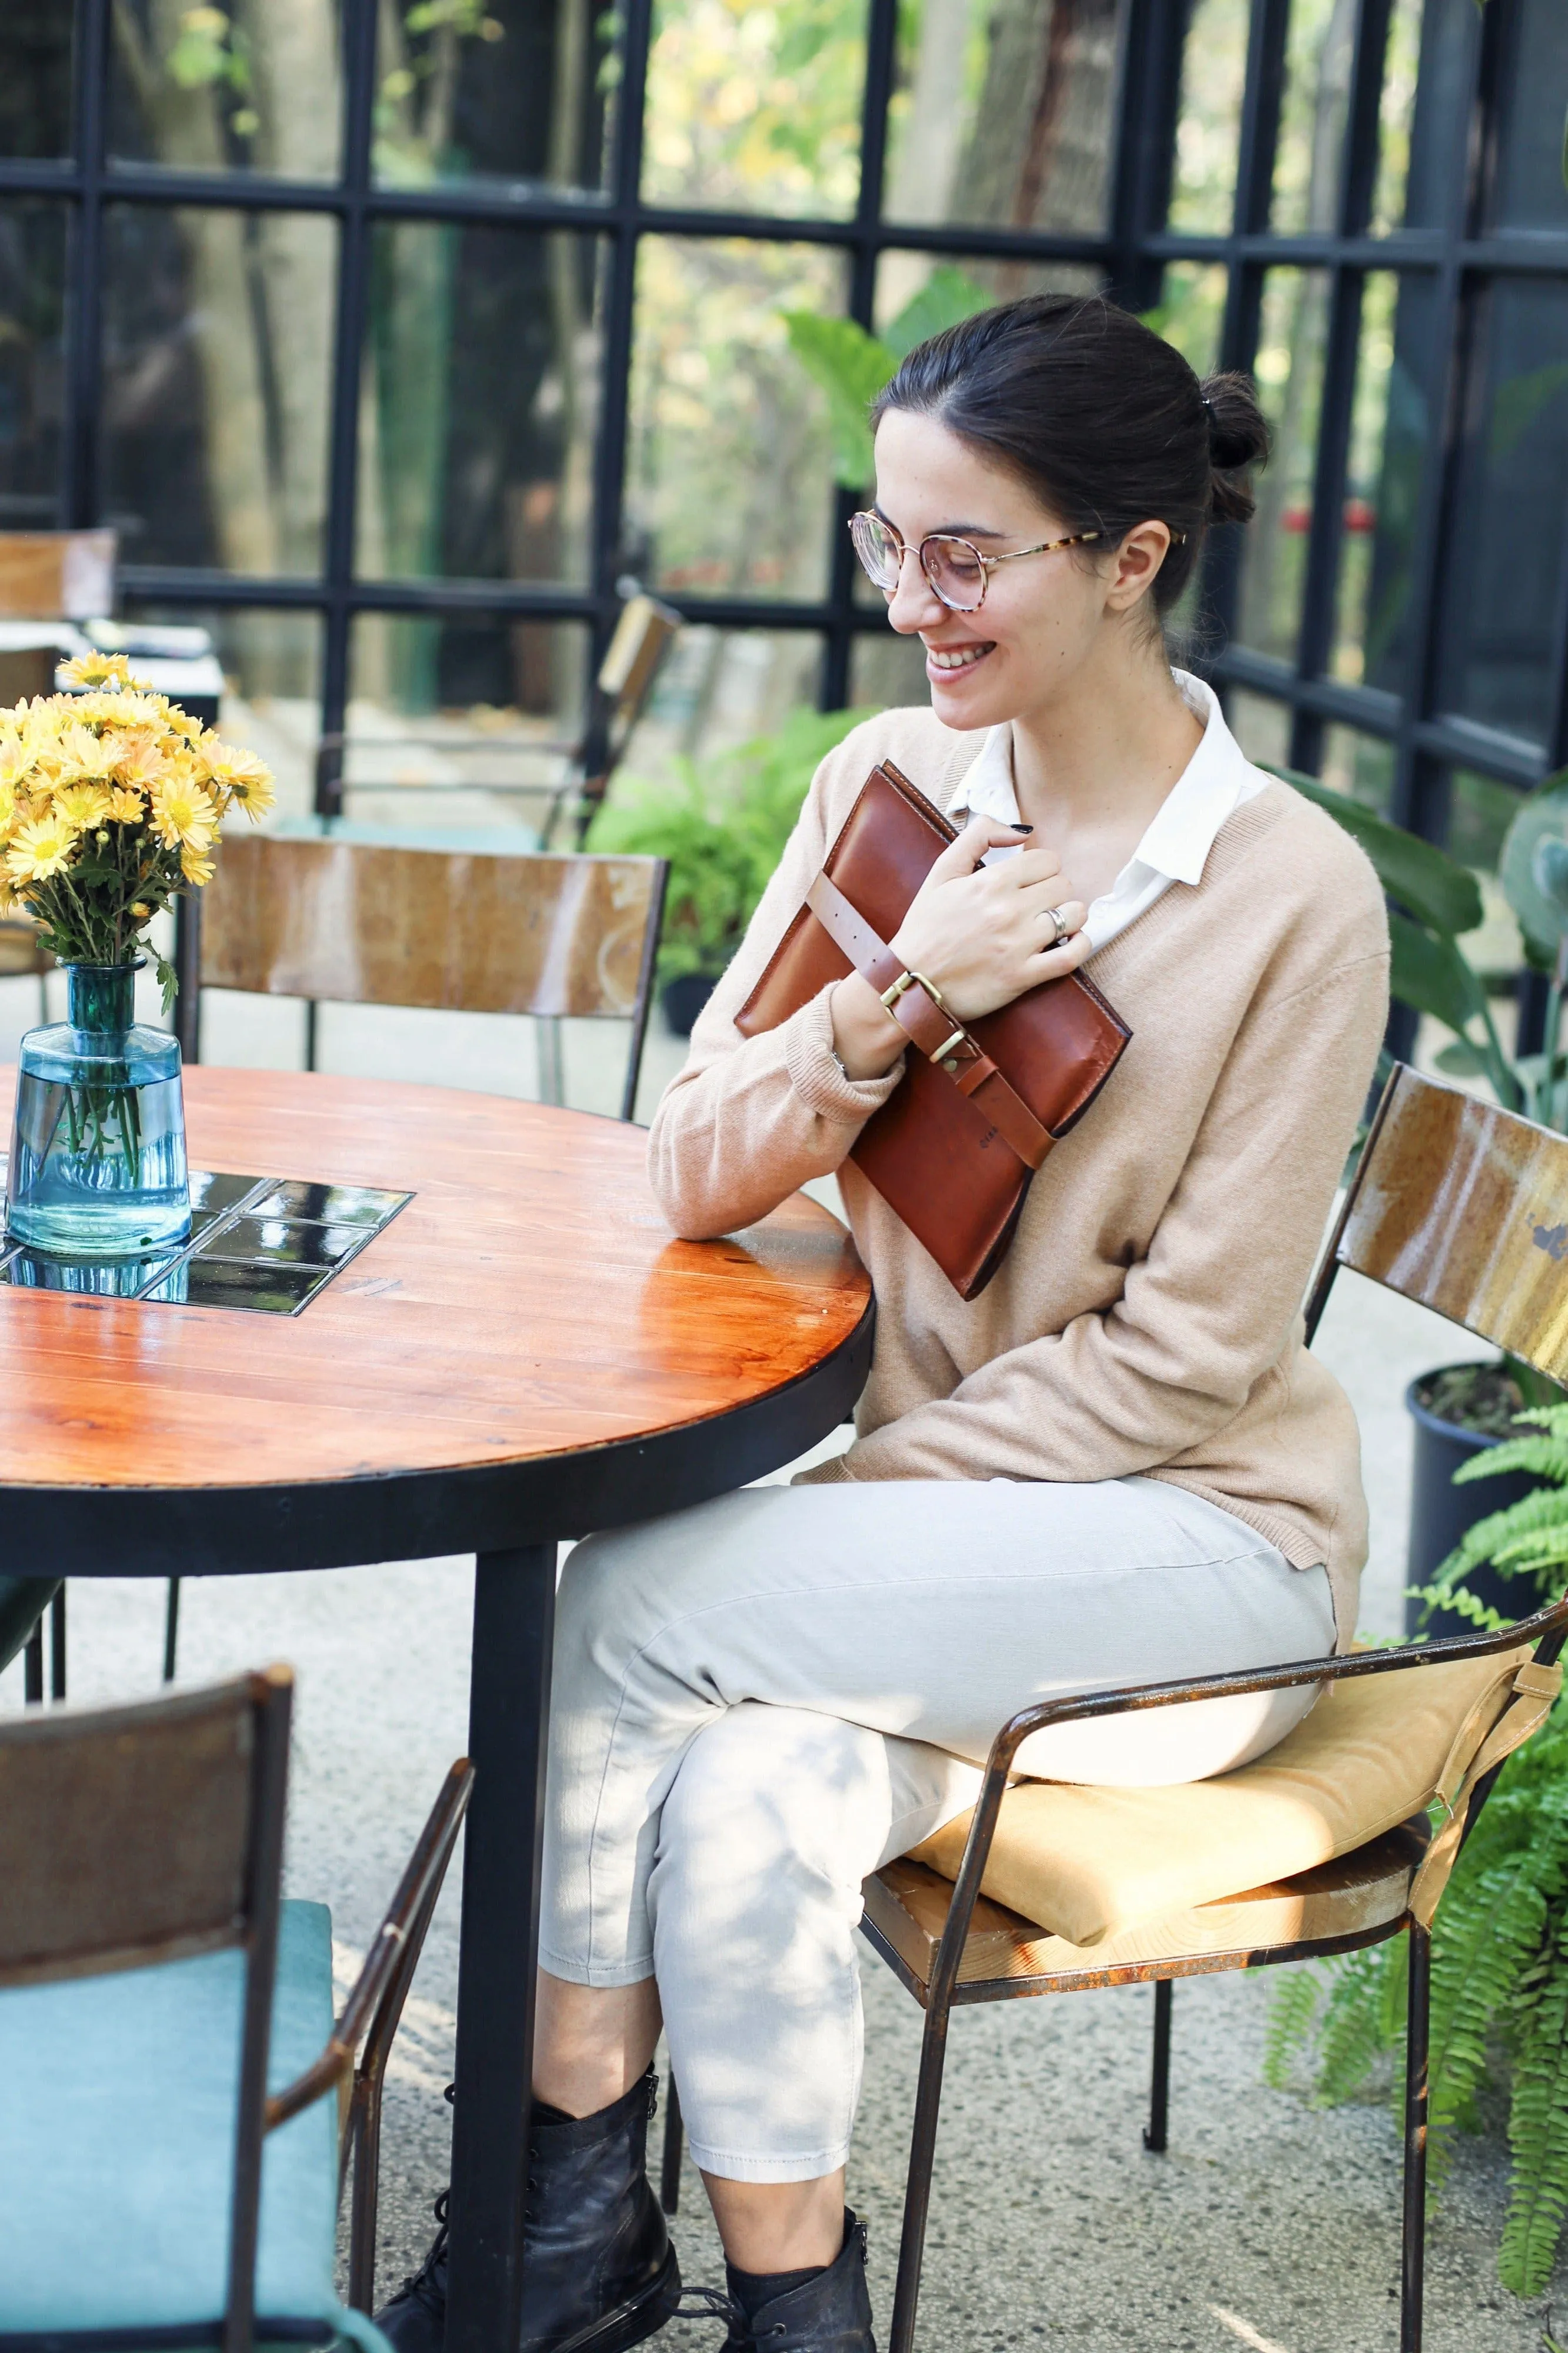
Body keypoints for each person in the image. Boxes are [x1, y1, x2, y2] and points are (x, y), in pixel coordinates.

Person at [377, 294, 1390, 2353]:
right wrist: (897, 989)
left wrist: (842, 1508)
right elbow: (690, 1162)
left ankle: (553, 2213)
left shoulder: (1294, 896)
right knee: (749, 1796)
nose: (916, 605)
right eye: (888, 544)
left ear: (1132, 560)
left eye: (966, 554)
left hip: (1198, 1558)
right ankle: (792, 2310)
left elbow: (1190, 1364)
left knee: (634, 1591)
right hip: (931, 1563)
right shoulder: (890, 787)